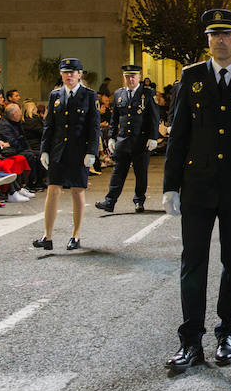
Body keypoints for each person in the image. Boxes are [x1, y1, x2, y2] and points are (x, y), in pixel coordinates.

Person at [162, 9, 231, 370]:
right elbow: (178, 137)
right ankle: (191, 340)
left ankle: (227, 333)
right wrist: (170, 186)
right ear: (208, 40)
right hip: (196, 185)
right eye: (215, 35)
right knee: (192, 263)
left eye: (228, 35)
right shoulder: (191, 76)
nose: (221, 41)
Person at [32, 58, 100, 251]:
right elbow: (49, 126)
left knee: (77, 190)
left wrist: (91, 151)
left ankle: (76, 235)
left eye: (73, 72)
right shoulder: (55, 95)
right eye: (65, 72)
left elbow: (93, 127)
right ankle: (47, 235)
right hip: (58, 150)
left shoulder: (89, 95)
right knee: (53, 190)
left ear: (80, 74)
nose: (69, 76)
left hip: (79, 150)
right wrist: (44, 150)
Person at [96, 64, 161, 213]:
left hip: (141, 141)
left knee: (141, 173)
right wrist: (112, 137)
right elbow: (115, 118)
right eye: (127, 76)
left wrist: (153, 137)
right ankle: (110, 201)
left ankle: (139, 200)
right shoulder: (119, 94)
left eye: (133, 76)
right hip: (123, 140)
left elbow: (154, 117)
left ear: (139, 77)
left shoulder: (147, 93)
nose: (130, 79)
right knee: (118, 172)